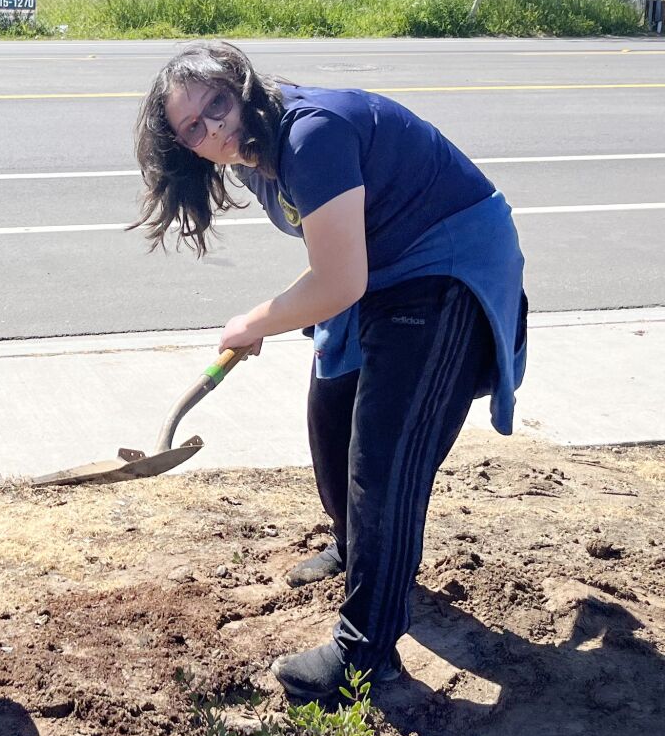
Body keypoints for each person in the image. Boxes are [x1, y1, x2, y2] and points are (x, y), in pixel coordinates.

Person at [131, 40, 527, 700]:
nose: (213, 129)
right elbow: (336, 256)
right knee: (330, 416)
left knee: (385, 458)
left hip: (445, 263)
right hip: (382, 270)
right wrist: (271, 318)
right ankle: (359, 548)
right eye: (192, 128)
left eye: (217, 106)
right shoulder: (257, 156)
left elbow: (340, 279)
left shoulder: (310, 135)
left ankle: (366, 654)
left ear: (241, 85)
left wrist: (257, 320)